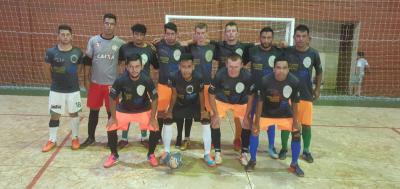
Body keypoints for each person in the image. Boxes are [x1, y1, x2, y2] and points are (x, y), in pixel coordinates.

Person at [246, 55, 304, 177]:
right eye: (278, 67)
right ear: (273, 69)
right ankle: (252, 160)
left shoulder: (295, 81)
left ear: (288, 69)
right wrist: (256, 121)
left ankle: (294, 164)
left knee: (297, 132)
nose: (281, 70)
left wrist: (296, 121)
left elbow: (295, 103)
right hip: (266, 113)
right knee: (254, 131)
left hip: (285, 113)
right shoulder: (264, 80)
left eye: (284, 68)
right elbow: (259, 102)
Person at [103, 54, 159, 168]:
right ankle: (114, 154)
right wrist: (113, 117)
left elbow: (155, 98)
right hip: (125, 109)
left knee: (155, 128)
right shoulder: (120, 80)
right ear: (127, 67)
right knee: (110, 127)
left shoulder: (147, 79)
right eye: (131, 67)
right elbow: (111, 98)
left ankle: (151, 154)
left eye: (137, 66)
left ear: (142, 67)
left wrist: (153, 118)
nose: (134, 70)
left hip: (143, 109)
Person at [160, 53, 216, 167]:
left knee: (206, 121)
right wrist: (170, 110)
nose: (186, 70)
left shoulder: (199, 77)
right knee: (167, 120)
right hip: (179, 104)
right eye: (183, 67)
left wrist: (202, 111)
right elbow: (174, 94)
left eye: (189, 67)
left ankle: (207, 154)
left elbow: (201, 95)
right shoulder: (173, 76)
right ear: (179, 66)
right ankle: (166, 151)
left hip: (194, 105)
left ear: (193, 67)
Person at [81, 13, 125, 148]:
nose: (109, 26)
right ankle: (90, 138)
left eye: (112, 24)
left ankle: (112, 140)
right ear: (103, 23)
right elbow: (87, 62)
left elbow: (122, 65)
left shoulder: (120, 43)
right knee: (93, 112)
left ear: (115, 26)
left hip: (112, 86)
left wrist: (121, 86)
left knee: (111, 113)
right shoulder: (93, 41)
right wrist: (86, 81)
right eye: (107, 23)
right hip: (95, 84)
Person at [281, 24, 323, 163]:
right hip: (288, 95)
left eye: (303, 36)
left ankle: (306, 151)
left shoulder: (314, 53)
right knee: (287, 123)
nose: (300, 39)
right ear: (294, 38)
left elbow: (319, 71)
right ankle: (283, 148)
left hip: (306, 94)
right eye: (297, 36)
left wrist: (317, 89)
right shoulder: (287, 51)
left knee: (306, 124)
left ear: (308, 38)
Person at [42, 25, 84, 152]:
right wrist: (54, 82)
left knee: (74, 113)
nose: (65, 37)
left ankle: (75, 138)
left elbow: (79, 68)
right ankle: (52, 139)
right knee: (55, 114)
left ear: (71, 36)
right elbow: (46, 69)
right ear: (58, 36)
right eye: (62, 34)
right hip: (56, 90)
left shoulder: (77, 52)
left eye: (67, 34)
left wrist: (72, 77)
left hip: (73, 90)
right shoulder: (51, 52)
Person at [118, 23, 159, 148]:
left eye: (141, 35)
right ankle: (124, 138)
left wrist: (154, 84)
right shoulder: (124, 48)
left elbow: (156, 67)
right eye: (136, 34)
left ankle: (144, 137)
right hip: (127, 86)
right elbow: (120, 64)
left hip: (144, 86)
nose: (139, 37)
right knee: (126, 109)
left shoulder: (150, 50)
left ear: (144, 36)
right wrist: (121, 81)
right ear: (133, 34)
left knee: (144, 110)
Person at [208, 54, 254, 165]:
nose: (233, 70)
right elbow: (211, 94)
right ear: (226, 65)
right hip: (223, 100)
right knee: (214, 121)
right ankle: (218, 152)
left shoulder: (247, 76)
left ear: (242, 65)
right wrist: (214, 113)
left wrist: (247, 115)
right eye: (230, 66)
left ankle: (244, 152)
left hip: (241, 101)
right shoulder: (220, 74)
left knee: (246, 123)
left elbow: (251, 96)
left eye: (236, 67)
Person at [247, 26, 283, 159]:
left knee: (271, 121)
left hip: (272, 92)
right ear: (259, 38)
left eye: (269, 38)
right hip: (255, 92)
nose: (266, 40)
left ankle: (271, 146)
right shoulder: (252, 51)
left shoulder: (278, 52)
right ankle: (252, 146)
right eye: (264, 37)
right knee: (253, 119)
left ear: (272, 39)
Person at [182, 22, 216, 150]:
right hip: (192, 85)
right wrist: (190, 41)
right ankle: (186, 139)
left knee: (206, 114)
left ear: (207, 33)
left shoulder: (213, 47)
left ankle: (209, 140)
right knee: (188, 113)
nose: (200, 36)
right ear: (194, 34)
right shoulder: (190, 47)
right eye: (198, 33)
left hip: (207, 86)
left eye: (203, 33)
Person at [153, 22, 185, 145]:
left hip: (178, 86)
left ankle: (179, 138)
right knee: (160, 112)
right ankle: (158, 135)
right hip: (163, 85)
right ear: (164, 34)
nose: (170, 36)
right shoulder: (158, 45)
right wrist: (159, 40)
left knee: (178, 112)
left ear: (176, 35)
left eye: (172, 34)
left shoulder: (182, 47)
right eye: (167, 34)